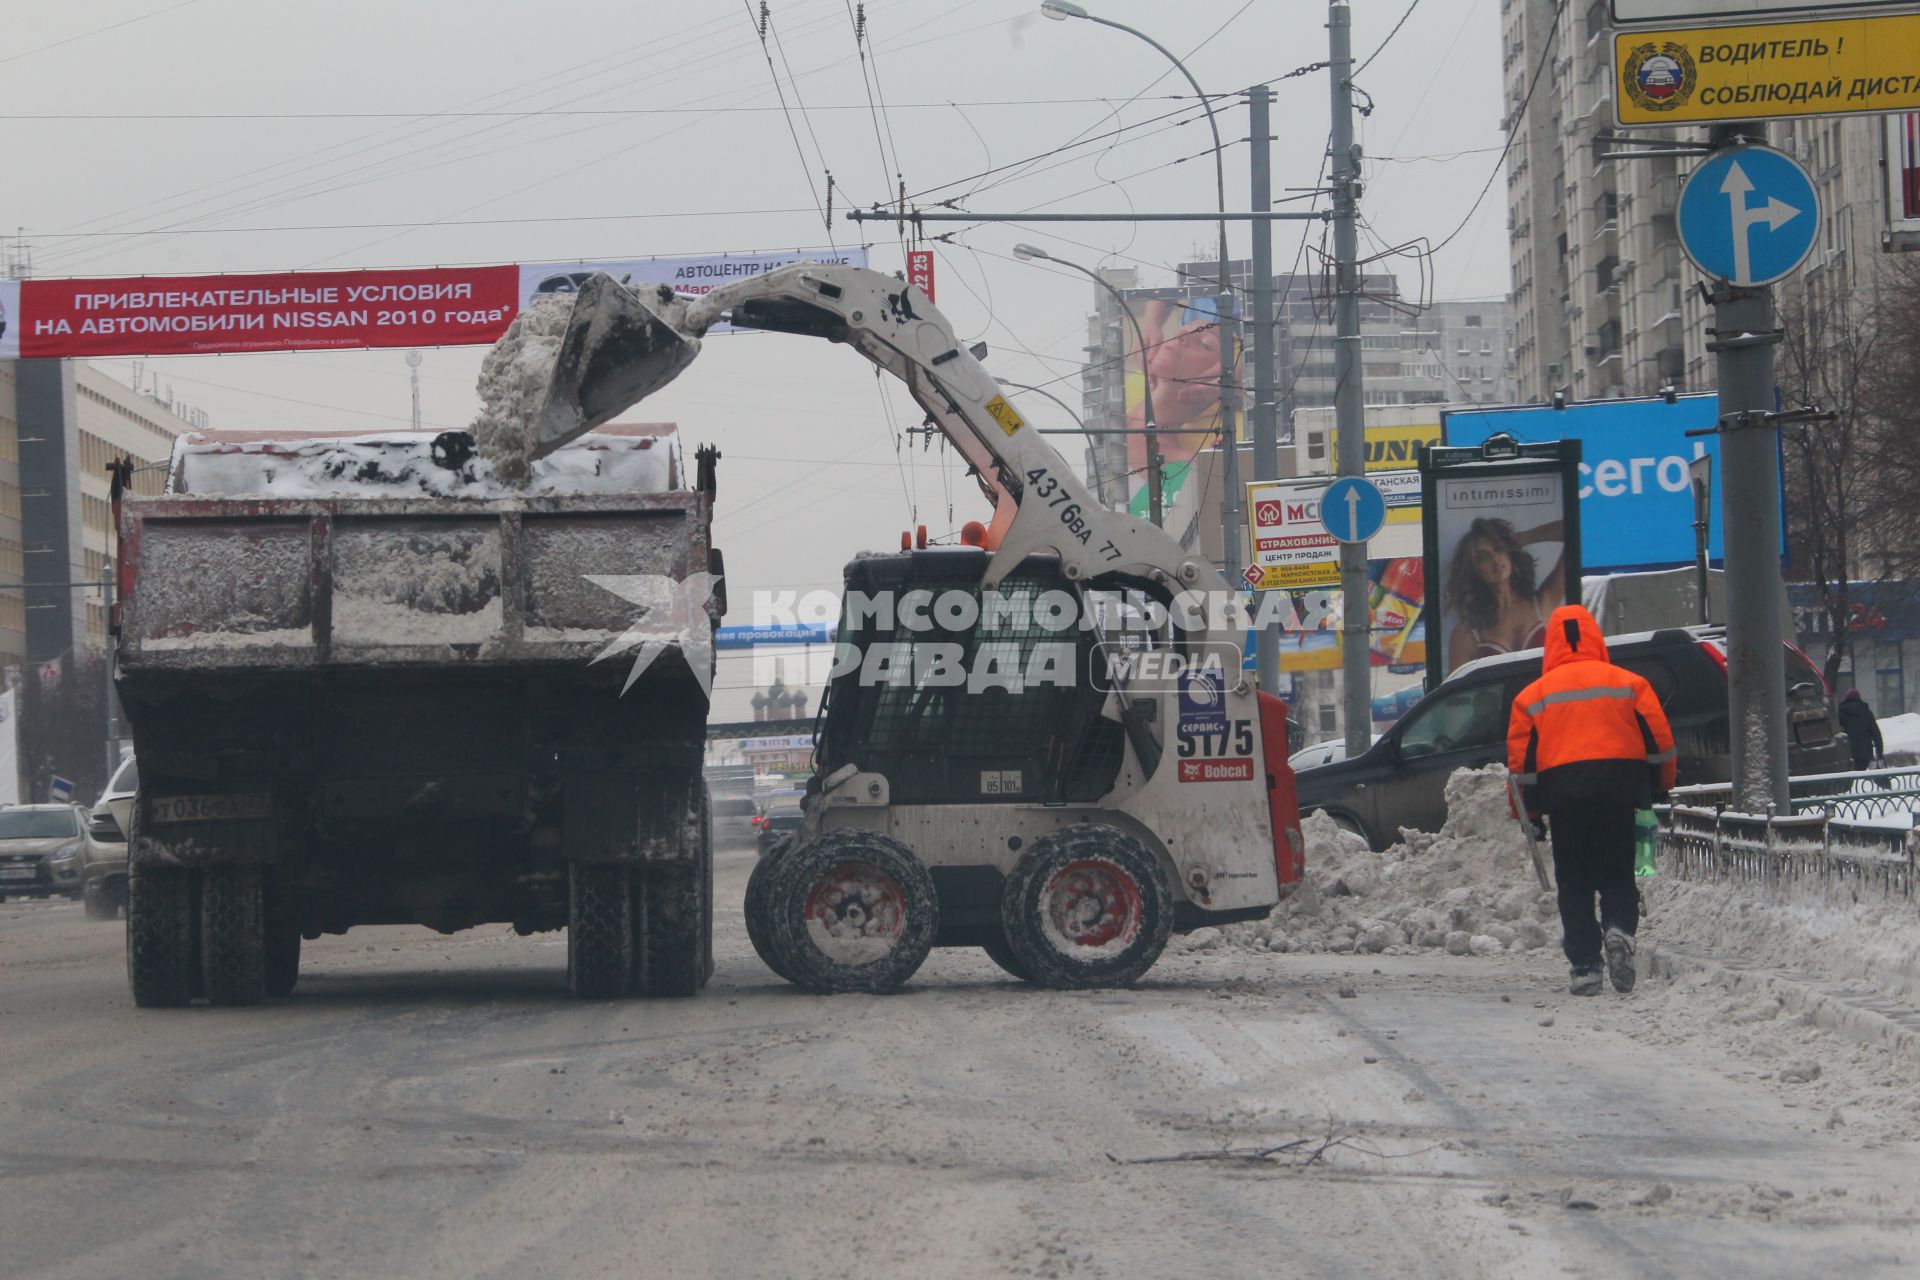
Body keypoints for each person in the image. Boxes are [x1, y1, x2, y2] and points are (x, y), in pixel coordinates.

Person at [1508, 604, 1676, 997]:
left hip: (1564, 800)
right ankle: (1618, 928)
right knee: (1618, 874)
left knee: (1574, 882)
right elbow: (1661, 744)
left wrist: (1528, 814)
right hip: (1620, 792)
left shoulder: (1532, 698)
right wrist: (1658, 786)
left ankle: (1585, 967)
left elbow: (1521, 767)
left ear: (1550, 644)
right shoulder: (1631, 684)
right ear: (1596, 638)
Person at [1444, 517, 1567, 674]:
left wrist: (1523, 538)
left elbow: (1572, 528)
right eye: (1484, 557)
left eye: (1498, 548)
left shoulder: (1543, 602)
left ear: (1509, 552)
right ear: (1475, 570)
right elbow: (1457, 696)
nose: (1495, 558)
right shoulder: (1466, 633)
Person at [1837, 688, 1884, 773]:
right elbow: (1876, 734)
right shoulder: (1866, 712)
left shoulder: (1840, 713)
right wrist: (1879, 754)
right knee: (1861, 779)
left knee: (1850, 780)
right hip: (1865, 753)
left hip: (1847, 754)